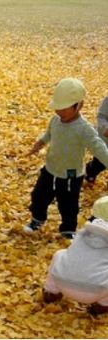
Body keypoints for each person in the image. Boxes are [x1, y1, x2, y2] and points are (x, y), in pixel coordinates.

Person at [24, 78, 108, 239]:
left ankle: (68, 230)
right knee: (39, 196)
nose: (59, 112)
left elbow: (99, 147)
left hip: (71, 175)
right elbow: (49, 134)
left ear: (79, 105)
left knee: (68, 204)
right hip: (50, 169)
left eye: (64, 108)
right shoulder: (55, 120)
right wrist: (41, 142)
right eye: (57, 108)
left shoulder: (84, 129)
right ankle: (37, 220)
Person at [42, 196, 108, 316]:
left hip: (62, 282)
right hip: (95, 292)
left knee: (60, 254)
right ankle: (101, 306)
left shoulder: (84, 232)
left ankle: (51, 292)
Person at [85, 97, 108, 184]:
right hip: (106, 140)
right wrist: (105, 127)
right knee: (100, 163)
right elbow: (101, 116)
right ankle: (90, 170)